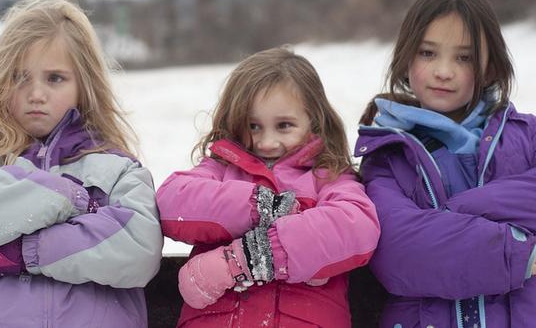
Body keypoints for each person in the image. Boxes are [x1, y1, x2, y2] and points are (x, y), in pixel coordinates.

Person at [355, 0, 536, 327]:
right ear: (406, 58)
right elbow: (397, 250)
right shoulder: (387, 154)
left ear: (490, 67)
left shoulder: (526, 135)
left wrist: (447, 215)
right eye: (428, 53)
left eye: (464, 57)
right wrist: (505, 249)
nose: (443, 71)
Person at [0, 0, 162, 328]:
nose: (36, 93)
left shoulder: (117, 169)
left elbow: (137, 249)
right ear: (0, 82)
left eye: (55, 78)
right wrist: (73, 200)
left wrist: (23, 252)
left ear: (84, 86)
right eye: (20, 77)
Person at [156, 47, 380, 327]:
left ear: (315, 120)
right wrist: (263, 208)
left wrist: (246, 258)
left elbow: (355, 226)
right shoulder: (222, 168)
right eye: (253, 126)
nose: (266, 142)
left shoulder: (329, 176)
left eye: (284, 125)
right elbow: (172, 201)